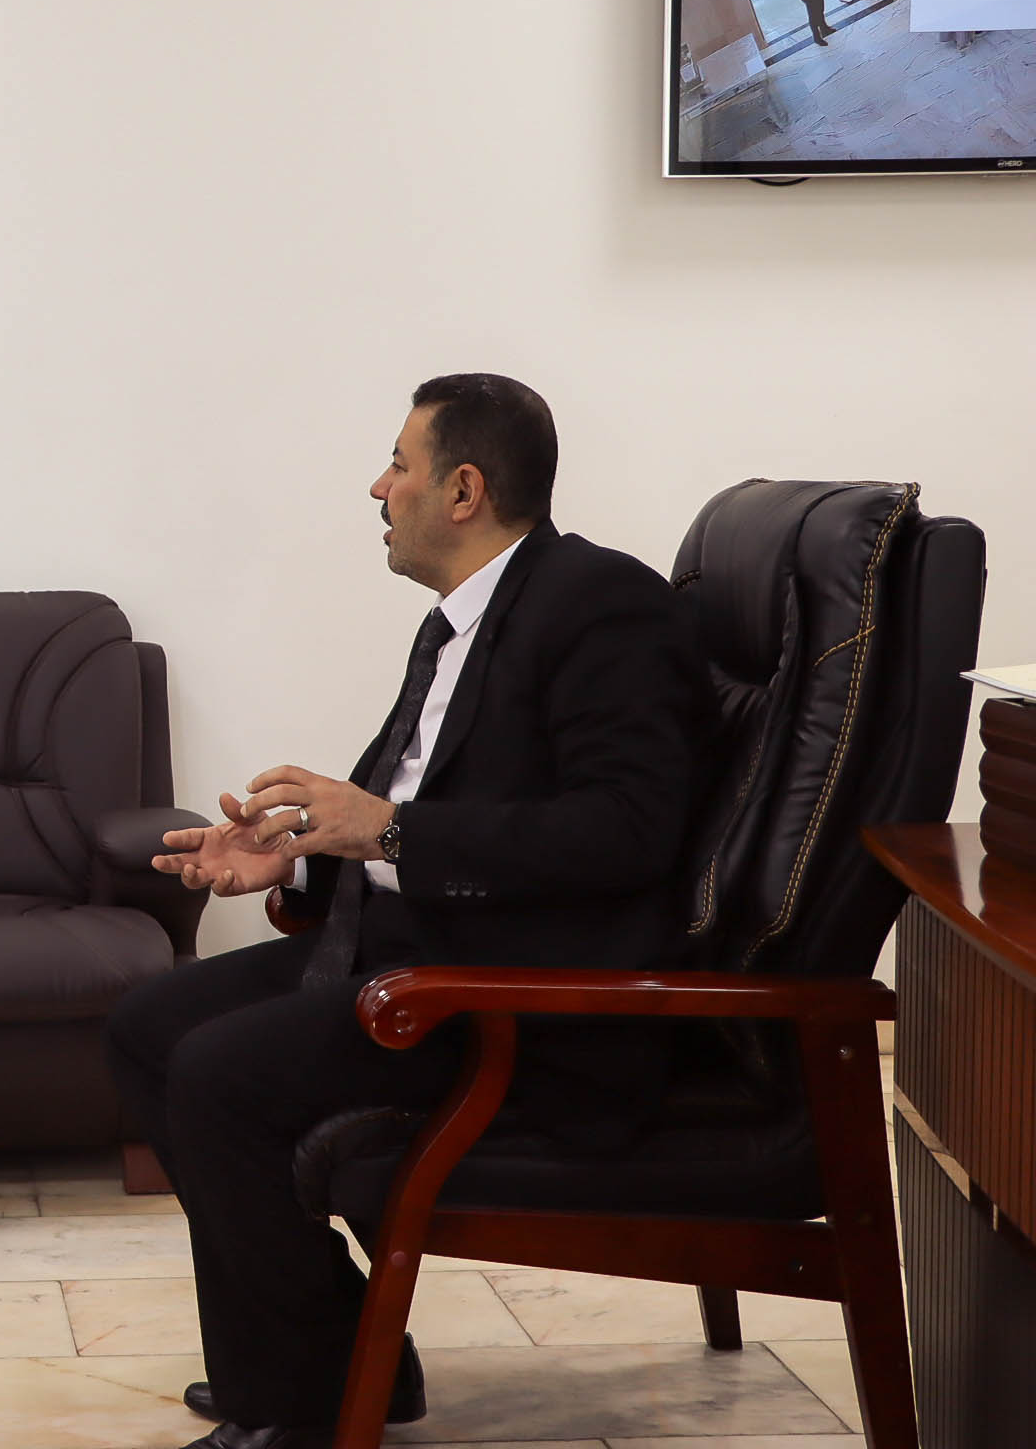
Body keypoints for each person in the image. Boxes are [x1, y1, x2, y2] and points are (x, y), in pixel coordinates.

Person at [105, 375, 706, 1449]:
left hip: (514, 995)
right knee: (149, 1024)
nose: (378, 489)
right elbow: (401, 824)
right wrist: (292, 861)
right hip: (414, 948)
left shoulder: (600, 604)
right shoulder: (461, 623)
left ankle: (303, 1409)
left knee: (217, 1074)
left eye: (398, 464)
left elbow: (626, 831)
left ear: (464, 490)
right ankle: (340, 1357)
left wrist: (384, 831)